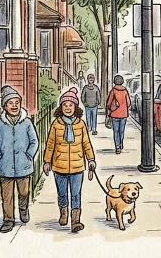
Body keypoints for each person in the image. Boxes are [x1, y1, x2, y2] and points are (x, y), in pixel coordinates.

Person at [43, 87, 96, 233]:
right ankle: (63, 213)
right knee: (62, 193)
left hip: (78, 166)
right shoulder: (56, 124)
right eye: (65, 105)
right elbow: (50, 144)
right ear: (61, 108)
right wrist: (47, 161)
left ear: (75, 107)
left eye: (70, 105)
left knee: (75, 194)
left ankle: (75, 221)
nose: (67, 108)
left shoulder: (81, 124)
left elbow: (86, 143)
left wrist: (91, 159)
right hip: (59, 165)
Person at [0, 85, 39, 233]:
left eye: (17, 102)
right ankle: (8, 220)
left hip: (24, 166)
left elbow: (34, 141)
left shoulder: (27, 122)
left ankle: (23, 208)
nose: (14, 106)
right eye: (10, 103)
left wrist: (29, 155)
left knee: (24, 192)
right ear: (5, 106)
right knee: (7, 196)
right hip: (5, 167)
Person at [106, 75, 132, 154]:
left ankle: (117, 146)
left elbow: (109, 103)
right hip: (123, 114)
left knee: (116, 131)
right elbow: (128, 103)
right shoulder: (125, 91)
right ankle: (121, 143)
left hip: (114, 114)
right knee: (121, 131)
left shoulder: (113, 91)